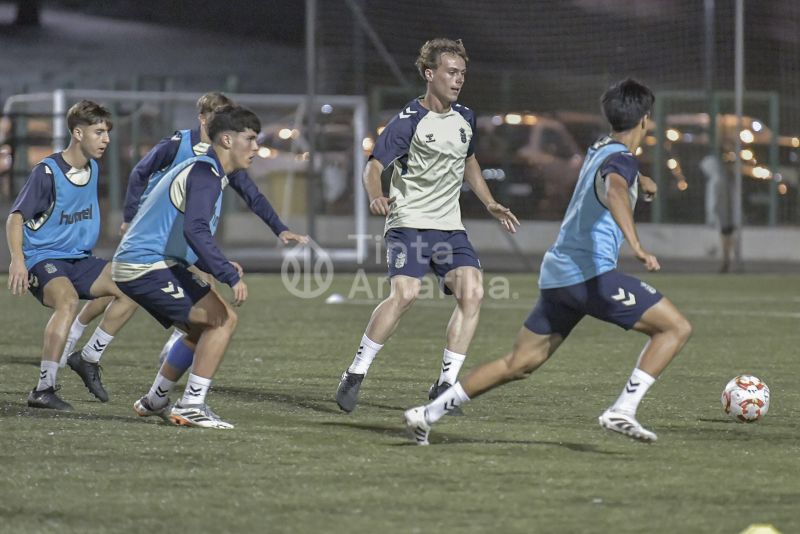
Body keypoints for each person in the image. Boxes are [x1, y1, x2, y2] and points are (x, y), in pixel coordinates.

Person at [403, 79, 693, 445]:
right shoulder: (620, 161)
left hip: (559, 277)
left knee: (518, 363)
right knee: (675, 328)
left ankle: (426, 415)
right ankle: (623, 409)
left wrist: (645, 182)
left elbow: (616, 178)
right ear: (645, 121)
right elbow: (616, 188)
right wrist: (636, 244)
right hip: (589, 277)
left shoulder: (601, 148)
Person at [335, 38, 519, 413]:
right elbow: (373, 166)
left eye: (462, 73)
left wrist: (490, 202)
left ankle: (445, 386)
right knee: (404, 295)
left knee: (473, 294)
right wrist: (375, 194)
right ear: (429, 74)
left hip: (450, 228)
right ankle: (356, 372)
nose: (458, 80)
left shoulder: (466, 117)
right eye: (451, 72)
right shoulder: (408, 121)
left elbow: (469, 162)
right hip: (409, 223)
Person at [62, 92, 303, 367]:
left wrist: (279, 228)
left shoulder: (226, 157)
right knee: (119, 287)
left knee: (201, 288)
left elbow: (252, 195)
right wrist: (130, 216)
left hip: (184, 235)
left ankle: (166, 349)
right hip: (155, 229)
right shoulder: (179, 144)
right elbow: (141, 171)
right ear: (203, 119)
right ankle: (76, 336)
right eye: (218, 116)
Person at [113, 105, 301, 429]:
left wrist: (216, 264)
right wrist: (227, 275)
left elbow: (180, 234)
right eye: (251, 139)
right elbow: (195, 230)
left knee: (201, 328)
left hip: (153, 261)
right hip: (144, 265)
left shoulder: (208, 171)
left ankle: (155, 399)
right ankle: (192, 404)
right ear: (227, 139)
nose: (257, 147)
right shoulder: (205, 173)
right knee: (223, 320)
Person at [6, 100, 139, 410]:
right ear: (78, 133)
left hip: (79, 259)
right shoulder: (47, 172)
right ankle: (43, 388)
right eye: (99, 132)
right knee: (67, 301)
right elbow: (15, 218)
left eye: (107, 132)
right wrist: (18, 260)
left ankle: (88, 357)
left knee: (133, 286)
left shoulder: (93, 167)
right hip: (44, 257)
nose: (106, 139)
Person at [699, 137, 736, 273]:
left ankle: (726, 261)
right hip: (726, 214)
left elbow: (713, 201)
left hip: (722, 215)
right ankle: (726, 261)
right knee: (727, 236)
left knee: (725, 236)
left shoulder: (715, 181)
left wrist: (712, 216)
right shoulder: (721, 179)